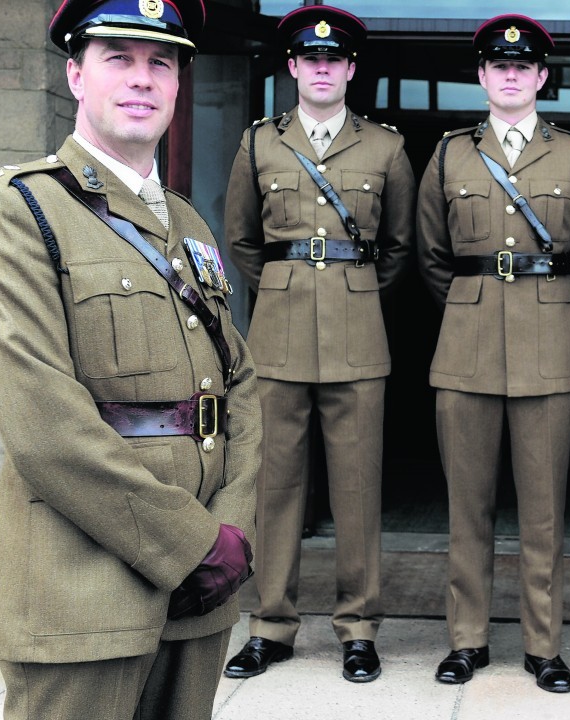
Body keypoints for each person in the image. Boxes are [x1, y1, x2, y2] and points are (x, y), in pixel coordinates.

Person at [0, 1, 262, 718]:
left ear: (179, 84)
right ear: (75, 75)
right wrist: (192, 544)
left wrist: (236, 530)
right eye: (117, 58)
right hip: (81, 588)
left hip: (201, 590)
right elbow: (44, 425)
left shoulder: (184, 221)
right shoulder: (18, 208)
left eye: (161, 62)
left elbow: (237, 382)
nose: (142, 78)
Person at [221, 4, 414, 684]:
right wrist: (286, 285)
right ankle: (270, 624)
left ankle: (358, 629)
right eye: (311, 58)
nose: (323, 67)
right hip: (277, 336)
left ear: (351, 68)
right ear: (294, 67)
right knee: (275, 485)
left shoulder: (386, 148)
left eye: (335, 58)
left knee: (358, 487)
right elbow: (243, 239)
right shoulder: (259, 143)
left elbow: (397, 248)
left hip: (358, 335)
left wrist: (349, 290)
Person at [415, 13, 570, 694]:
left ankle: (543, 645)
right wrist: (476, 305)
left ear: (541, 78)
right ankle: (466, 640)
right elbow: (433, 258)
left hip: (551, 347)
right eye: (500, 66)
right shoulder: (449, 153)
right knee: (466, 507)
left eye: (523, 67)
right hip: (465, 349)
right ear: (483, 76)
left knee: (544, 509)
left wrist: (545, 303)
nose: (511, 74)